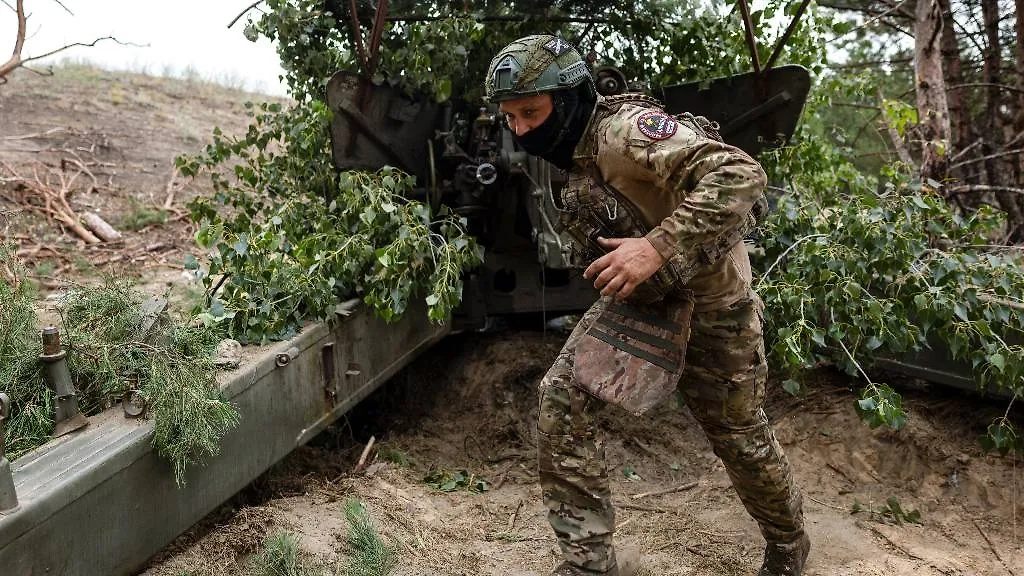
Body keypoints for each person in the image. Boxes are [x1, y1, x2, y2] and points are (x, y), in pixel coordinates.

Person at [482, 35, 810, 576]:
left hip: (713, 305)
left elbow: (740, 174)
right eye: (510, 117)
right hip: (641, 303)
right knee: (561, 400)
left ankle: (788, 543)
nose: (520, 130)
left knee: (738, 436)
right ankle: (588, 564)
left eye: (531, 113)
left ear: (569, 100)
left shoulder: (624, 133)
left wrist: (655, 247)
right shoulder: (574, 150)